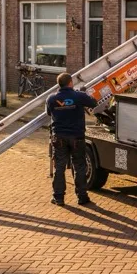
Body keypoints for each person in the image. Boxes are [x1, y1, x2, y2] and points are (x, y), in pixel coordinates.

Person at [46, 72, 98, 206]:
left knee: (60, 167)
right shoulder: (78, 96)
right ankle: (82, 197)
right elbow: (93, 103)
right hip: (77, 137)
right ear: (70, 83)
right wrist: (84, 95)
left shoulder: (51, 99)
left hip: (59, 137)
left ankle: (58, 198)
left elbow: (49, 113)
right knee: (79, 166)